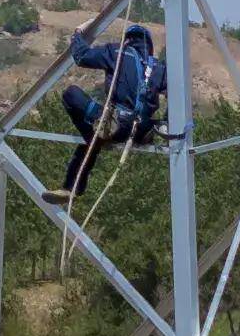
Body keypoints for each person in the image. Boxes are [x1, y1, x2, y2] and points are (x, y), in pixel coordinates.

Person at [58, 22, 168, 203]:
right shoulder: (159, 68)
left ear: (127, 41)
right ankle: (96, 137)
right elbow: (178, 92)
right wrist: (166, 123)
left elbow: (81, 56)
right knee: (93, 140)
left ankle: (74, 184)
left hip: (116, 124)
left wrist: (77, 34)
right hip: (143, 129)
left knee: (71, 94)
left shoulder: (117, 53)